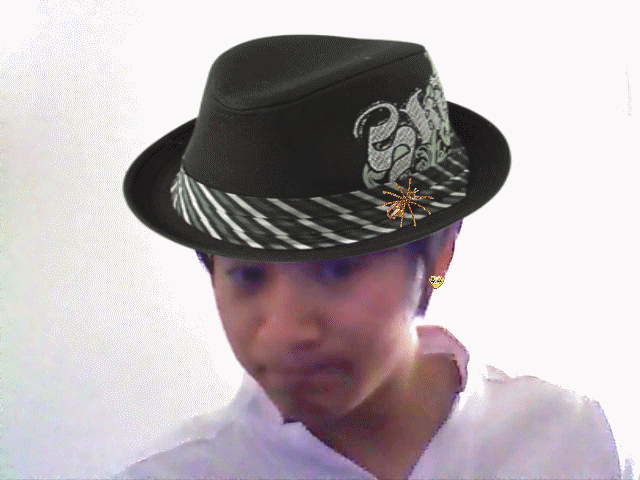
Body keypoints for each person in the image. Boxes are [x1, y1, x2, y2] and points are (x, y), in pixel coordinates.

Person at [116, 34, 626, 479]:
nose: (286, 331)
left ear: (440, 257)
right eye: (248, 276)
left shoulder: (571, 440)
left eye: (336, 269)